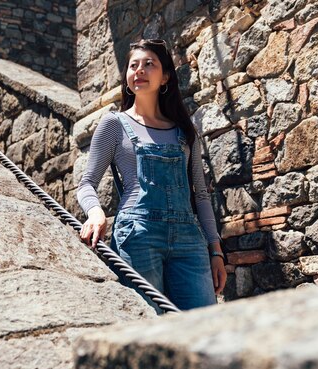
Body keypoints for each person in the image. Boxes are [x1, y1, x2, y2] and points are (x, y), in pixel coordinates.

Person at [77, 39, 227, 312]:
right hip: (138, 236)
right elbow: (87, 184)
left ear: (165, 76)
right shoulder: (114, 124)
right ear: (126, 76)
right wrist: (95, 213)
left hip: (189, 242)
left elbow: (201, 196)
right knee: (148, 322)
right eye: (134, 65)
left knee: (204, 324)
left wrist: (215, 249)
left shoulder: (185, 130)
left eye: (149, 64)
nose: (140, 71)